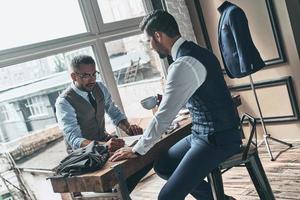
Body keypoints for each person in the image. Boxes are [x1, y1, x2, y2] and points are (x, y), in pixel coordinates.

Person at [110, 10, 241, 200]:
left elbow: (164, 116)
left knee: (166, 197)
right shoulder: (196, 52)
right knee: (163, 165)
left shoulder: (183, 64)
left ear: (157, 36)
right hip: (203, 134)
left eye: (149, 41)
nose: (150, 46)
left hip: (217, 139)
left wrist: (137, 148)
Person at [55, 55, 152, 193]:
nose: (92, 79)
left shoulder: (99, 87)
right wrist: (104, 145)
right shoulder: (64, 102)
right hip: (83, 155)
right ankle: (119, 193)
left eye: (94, 74)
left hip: (104, 143)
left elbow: (114, 112)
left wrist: (129, 128)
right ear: (73, 76)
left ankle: (121, 192)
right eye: (86, 75)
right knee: (113, 182)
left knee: (144, 155)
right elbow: (74, 140)